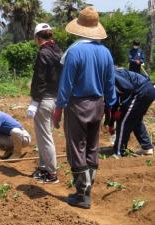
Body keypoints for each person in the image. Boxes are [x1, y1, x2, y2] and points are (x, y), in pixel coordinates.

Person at [53, 7, 116, 209]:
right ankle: (88, 188)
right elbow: (110, 85)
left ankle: (82, 195)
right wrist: (110, 109)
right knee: (92, 146)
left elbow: (66, 85)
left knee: (76, 147)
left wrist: (58, 109)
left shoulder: (74, 52)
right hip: (98, 104)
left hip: (78, 105)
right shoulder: (106, 53)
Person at [27, 23, 62, 184]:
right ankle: (43, 167)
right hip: (56, 98)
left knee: (45, 137)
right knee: (44, 136)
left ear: (37, 38)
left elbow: (39, 80)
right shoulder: (58, 51)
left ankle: (51, 173)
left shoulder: (43, 53)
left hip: (44, 100)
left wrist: (34, 101)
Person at [105, 68, 155, 157]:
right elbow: (112, 104)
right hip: (147, 90)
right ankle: (147, 147)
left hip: (141, 91)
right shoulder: (106, 79)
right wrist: (111, 123)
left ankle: (119, 152)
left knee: (124, 120)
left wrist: (121, 108)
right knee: (135, 119)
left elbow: (128, 88)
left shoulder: (110, 75)